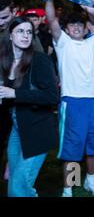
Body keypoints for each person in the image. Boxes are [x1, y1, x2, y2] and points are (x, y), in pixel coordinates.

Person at [43, 0, 94, 197]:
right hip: (72, 102)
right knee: (73, 149)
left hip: (92, 101)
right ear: (66, 29)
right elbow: (52, 20)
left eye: (79, 24)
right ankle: (69, 187)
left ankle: (90, 181)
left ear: (84, 28)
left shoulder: (92, 43)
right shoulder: (62, 42)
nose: (75, 27)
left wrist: (90, 10)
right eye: (71, 24)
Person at [0, 17, 59, 197]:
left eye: (28, 32)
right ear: (10, 35)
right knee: (15, 185)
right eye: (20, 31)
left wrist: (14, 94)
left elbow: (52, 96)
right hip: (18, 129)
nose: (25, 36)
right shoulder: (5, 61)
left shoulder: (39, 60)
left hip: (37, 129)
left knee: (19, 186)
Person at [0, 0, 17, 176]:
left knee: (16, 138)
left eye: (4, 18)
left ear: (14, 13)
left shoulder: (23, 31)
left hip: (17, 96)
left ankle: (11, 172)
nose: (0, 22)